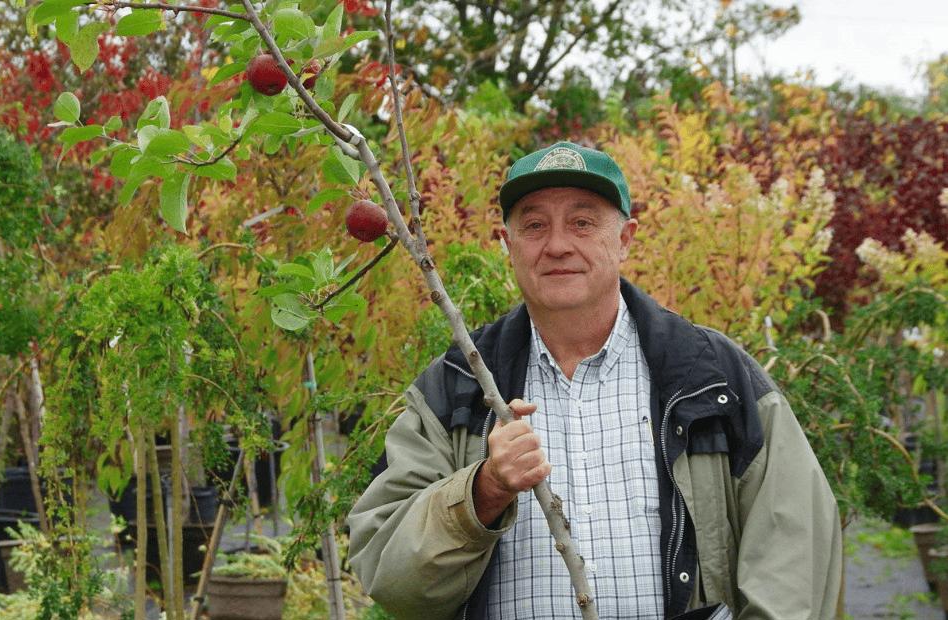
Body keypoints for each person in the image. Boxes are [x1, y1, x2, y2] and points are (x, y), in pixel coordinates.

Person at [347, 142, 843, 620]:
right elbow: (390, 576)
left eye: (583, 223)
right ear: (507, 244)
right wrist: (483, 491)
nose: (558, 245)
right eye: (535, 225)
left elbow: (794, 550)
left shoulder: (712, 377)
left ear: (625, 238)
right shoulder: (456, 386)